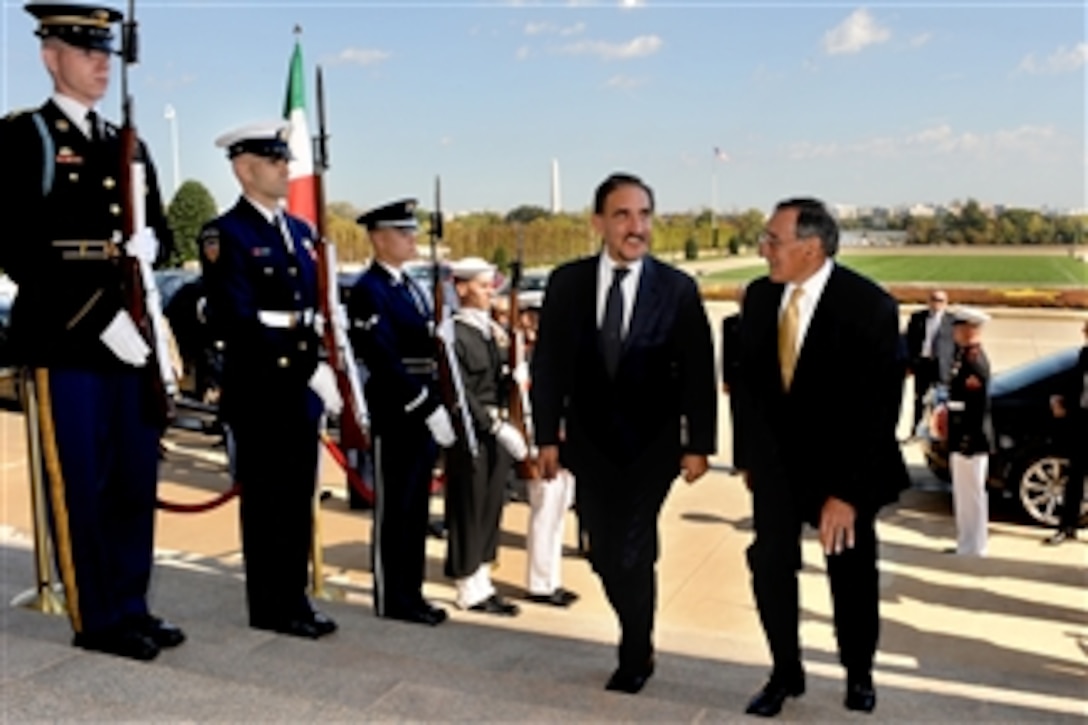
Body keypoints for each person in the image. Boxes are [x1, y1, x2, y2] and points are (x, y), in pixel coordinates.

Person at [0, 1, 183, 661]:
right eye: (85, 50)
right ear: (51, 56)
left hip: (130, 336)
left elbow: (156, 232)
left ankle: (132, 602)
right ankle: (96, 614)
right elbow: (17, 243)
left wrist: (147, 245)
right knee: (82, 479)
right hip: (68, 338)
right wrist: (99, 314)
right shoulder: (26, 137)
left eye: (106, 51)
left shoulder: (125, 143)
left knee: (134, 478)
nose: (101, 62)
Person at [531, 172, 717, 694]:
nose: (636, 227)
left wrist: (699, 444)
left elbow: (700, 371)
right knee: (600, 551)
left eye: (644, 215)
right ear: (599, 223)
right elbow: (549, 364)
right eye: (623, 215)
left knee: (632, 548)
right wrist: (546, 437)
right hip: (589, 447)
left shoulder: (676, 289)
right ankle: (639, 631)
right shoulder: (567, 284)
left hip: (651, 448)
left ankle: (635, 651)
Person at [733, 198, 909, 717]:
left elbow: (879, 412)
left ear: (810, 248)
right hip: (776, 474)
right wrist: (749, 460)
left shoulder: (869, 306)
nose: (763, 248)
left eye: (773, 239)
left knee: (851, 581)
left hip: (843, 475)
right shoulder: (761, 299)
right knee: (770, 570)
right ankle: (785, 673)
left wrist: (848, 495)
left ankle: (859, 674)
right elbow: (748, 389)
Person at [198, 120, 340, 639]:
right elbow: (238, 318)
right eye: (274, 160)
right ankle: (270, 605)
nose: (286, 168)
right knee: (267, 502)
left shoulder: (300, 234)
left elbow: (312, 311)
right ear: (244, 168)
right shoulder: (225, 234)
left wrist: (323, 359)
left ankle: (294, 597)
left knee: (299, 495)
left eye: (285, 159)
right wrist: (307, 368)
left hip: (299, 385)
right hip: (261, 385)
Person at [346, 199, 455, 627]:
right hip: (399, 408)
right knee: (396, 508)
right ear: (378, 238)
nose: (412, 239)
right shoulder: (369, 289)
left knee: (415, 507)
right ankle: (393, 596)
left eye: (412, 231)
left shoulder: (408, 285)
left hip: (421, 404)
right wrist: (426, 405)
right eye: (402, 232)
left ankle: (412, 593)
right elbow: (382, 357)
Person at [444, 256, 526, 615]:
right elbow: (460, 392)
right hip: (473, 432)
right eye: (481, 285)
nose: (489, 292)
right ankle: (466, 581)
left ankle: (482, 575)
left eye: (491, 284)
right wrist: (493, 426)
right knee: (469, 506)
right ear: (461, 288)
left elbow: (498, 382)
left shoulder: (491, 331)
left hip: (497, 430)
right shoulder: (455, 334)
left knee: (491, 503)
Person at [519, 302, 580, 608]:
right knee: (545, 514)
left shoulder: (559, 354)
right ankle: (540, 583)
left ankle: (551, 578)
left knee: (556, 515)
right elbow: (529, 405)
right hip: (544, 446)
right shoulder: (530, 357)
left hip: (565, 444)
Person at [942, 306, 995, 556]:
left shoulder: (975, 362)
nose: (955, 331)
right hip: (960, 434)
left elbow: (977, 407)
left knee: (972, 494)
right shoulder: (964, 356)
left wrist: (967, 437)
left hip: (970, 438)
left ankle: (975, 546)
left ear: (970, 329)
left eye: (959, 327)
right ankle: (966, 542)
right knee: (963, 495)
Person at [1044, 319, 1087, 545]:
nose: (1084, 332)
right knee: (1074, 479)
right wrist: (1060, 400)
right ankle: (1067, 526)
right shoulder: (1084, 355)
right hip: (1082, 425)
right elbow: (1075, 385)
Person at [904, 289, 955, 437]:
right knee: (919, 398)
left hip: (942, 367)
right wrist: (910, 364)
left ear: (946, 303)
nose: (937, 303)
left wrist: (955, 365)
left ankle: (937, 432)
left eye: (940, 301)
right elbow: (909, 341)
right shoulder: (917, 318)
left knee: (941, 399)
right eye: (934, 300)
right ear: (928, 301)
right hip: (922, 364)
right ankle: (915, 431)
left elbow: (957, 345)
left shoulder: (952, 321)